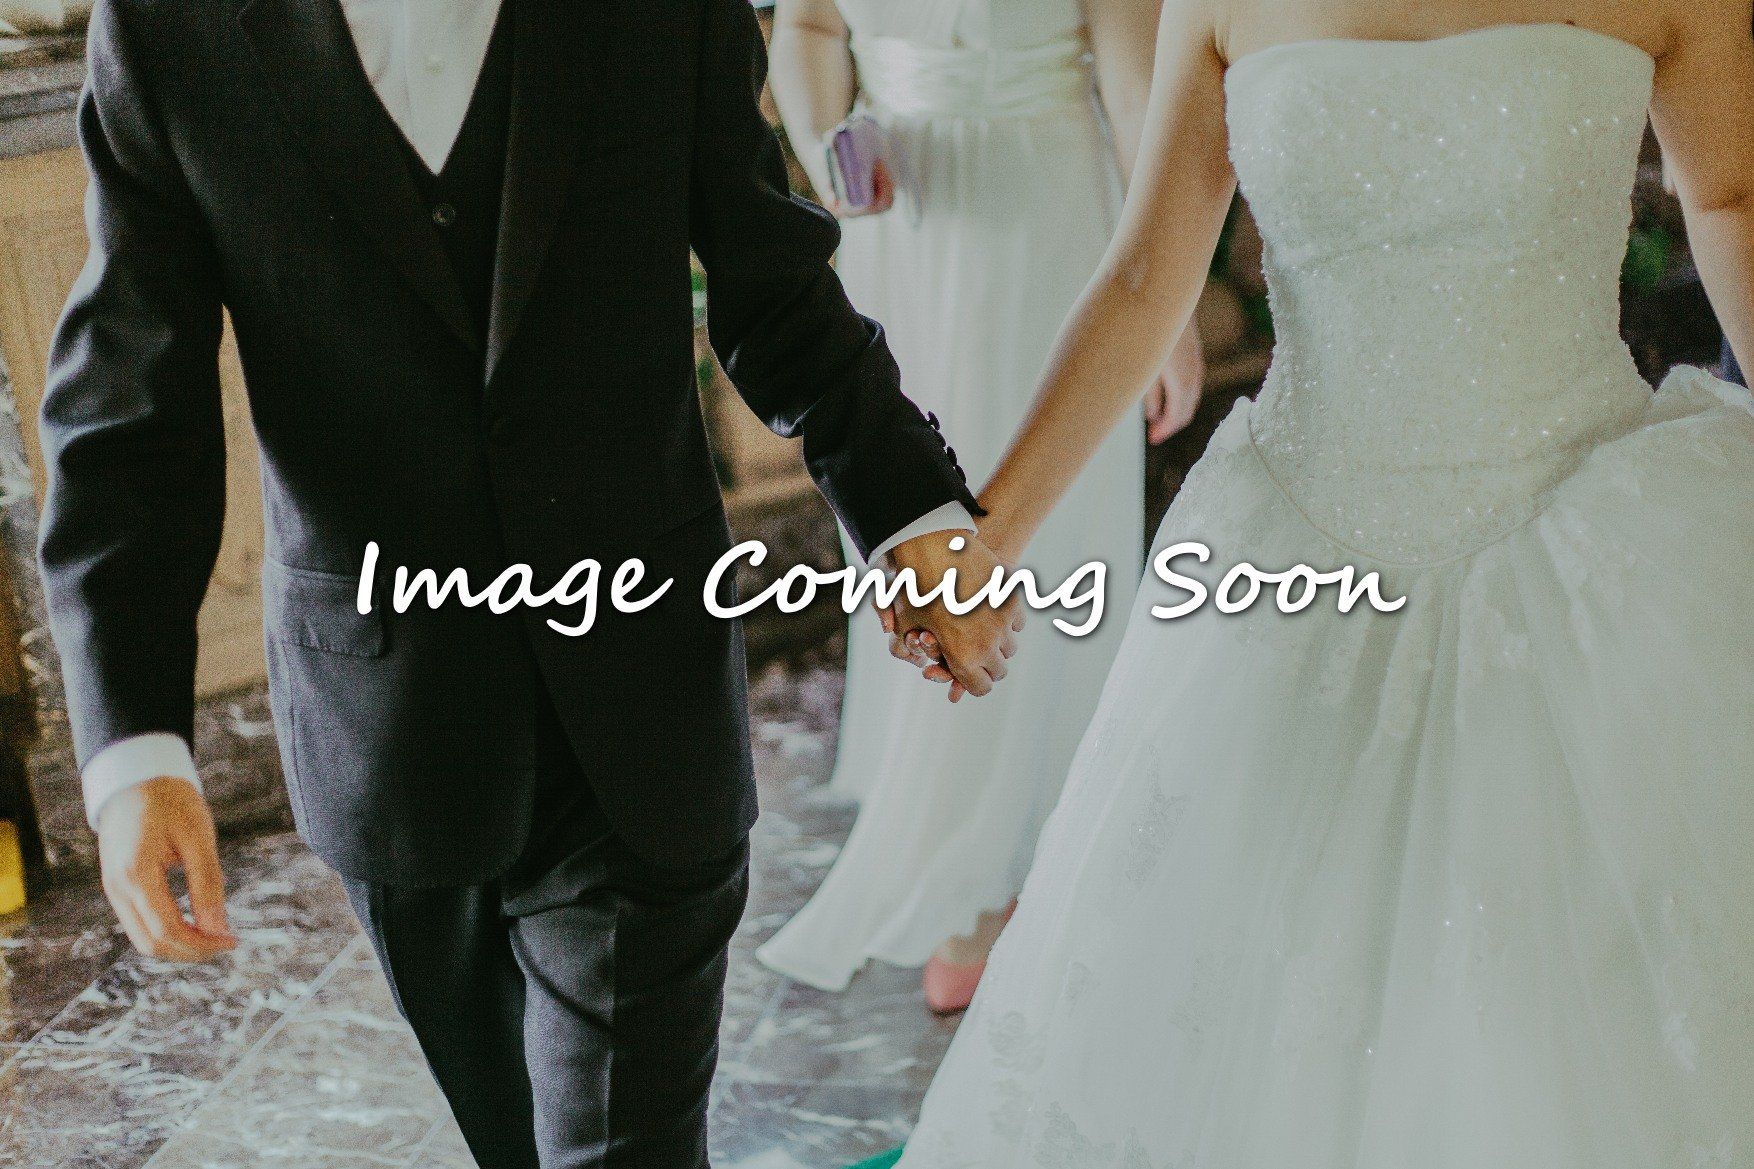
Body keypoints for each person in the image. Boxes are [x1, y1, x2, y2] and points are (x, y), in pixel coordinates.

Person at [35, 1, 1020, 1165]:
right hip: (386, 730)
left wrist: (912, 513)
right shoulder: (170, 28)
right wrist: (132, 748)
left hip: (643, 708)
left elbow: (775, 287)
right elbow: (131, 411)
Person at [888, 0, 1754, 1163]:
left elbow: (1729, 198)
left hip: (1588, 549)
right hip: (1291, 559)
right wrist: (983, 538)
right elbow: (1144, 272)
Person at [756, 0, 1202, 1013]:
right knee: (908, 522)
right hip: (897, 234)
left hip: (1045, 228)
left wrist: (1166, 309)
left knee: (1046, 529)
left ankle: (1033, 847)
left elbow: (1137, 91)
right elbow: (810, 29)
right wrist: (831, 151)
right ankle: (947, 832)